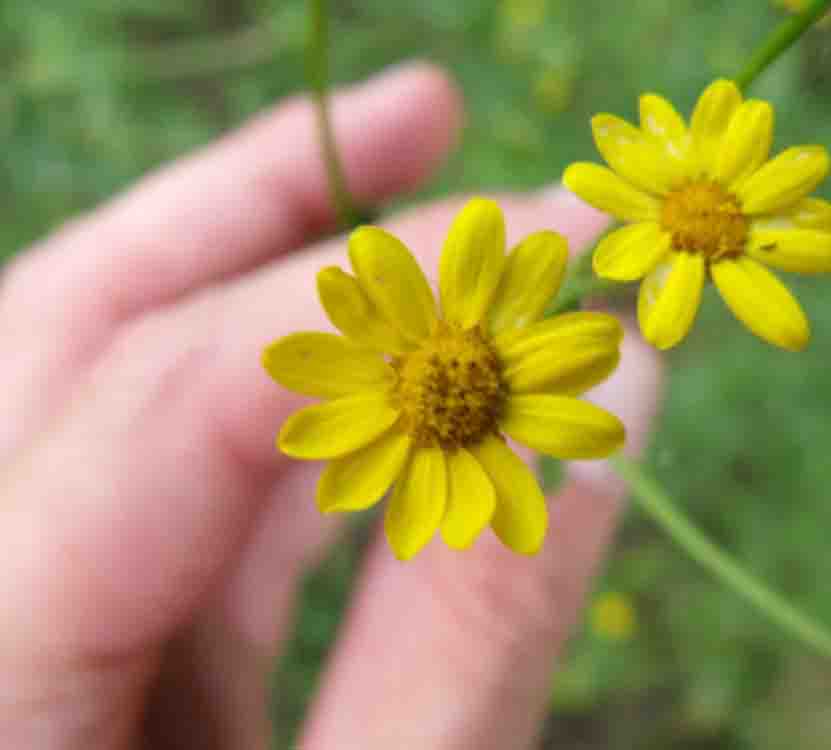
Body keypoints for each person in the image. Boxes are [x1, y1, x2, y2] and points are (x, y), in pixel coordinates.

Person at [0, 61, 661, 749]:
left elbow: (535, 272)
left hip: (510, 371)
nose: (444, 390)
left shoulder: (473, 356)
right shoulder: (405, 395)